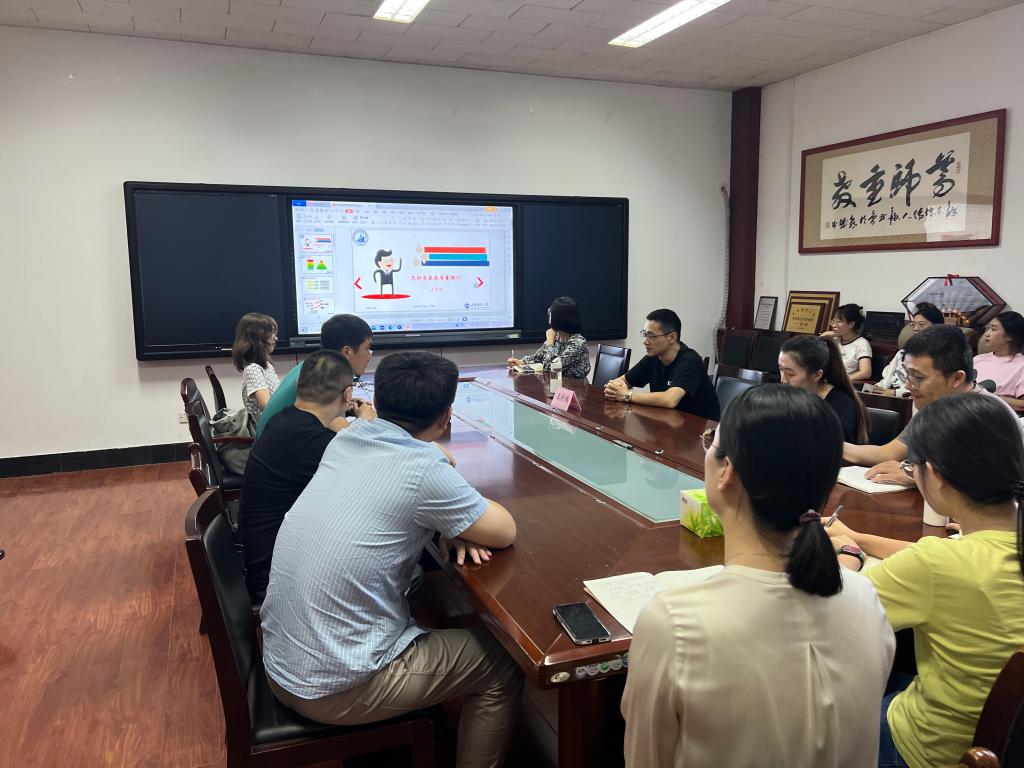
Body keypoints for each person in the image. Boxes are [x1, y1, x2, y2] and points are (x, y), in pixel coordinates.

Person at [261, 351, 523, 768]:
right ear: (446, 417)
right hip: (333, 688)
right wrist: (454, 520)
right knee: (504, 663)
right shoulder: (423, 470)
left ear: (377, 403)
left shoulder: (345, 439)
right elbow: (504, 530)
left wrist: (450, 523)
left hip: (283, 661)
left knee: (416, 581)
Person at [621, 385, 894, 767]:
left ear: (726, 471)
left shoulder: (674, 624)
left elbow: (646, 759)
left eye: (710, 443)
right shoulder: (865, 598)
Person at [826, 393, 1024, 768]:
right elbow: (951, 558)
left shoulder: (935, 564)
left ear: (934, 475)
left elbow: (830, 612)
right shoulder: (978, 548)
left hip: (928, 750)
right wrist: (859, 537)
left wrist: (849, 553)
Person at [843, 324, 1024, 486]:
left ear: (957, 378)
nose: (908, 385)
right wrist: (835, 445)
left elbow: (992, 481)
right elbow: (889, 453)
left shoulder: (988, 415)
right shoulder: (933, 402)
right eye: (908, 375)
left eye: (919, 377)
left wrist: (916, 475)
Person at [239, 350, 353, 601]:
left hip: (262, 557)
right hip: (278, 578)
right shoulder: (316, 442)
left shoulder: (282, 420)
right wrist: (363, 426)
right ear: (347, 395)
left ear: (299, 385)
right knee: (412, 575)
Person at [256, 313, 375, 438]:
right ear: (347, 351)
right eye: (368, 348)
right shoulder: (327, 376)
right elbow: (348, 438)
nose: (370, 354)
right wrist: (365, 419)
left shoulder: (313, 366)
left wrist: (344, 407)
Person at [604, 308, 720, 420]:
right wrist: (614, 388)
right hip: (667, 421)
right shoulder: (653, 357)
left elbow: (669, 400)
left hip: (699, 428)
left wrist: (626, 395)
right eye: (644, 334)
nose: (645, 341)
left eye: (651, 336)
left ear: (672, 337)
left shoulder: (690, 361)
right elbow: (623, 381)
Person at [779, 334, 869, 443]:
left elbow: (831, 446)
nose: (783, 380)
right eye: (781, 370)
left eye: (790, 374)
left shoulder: (841, 405)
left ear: (816, 375)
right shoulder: (790, 397)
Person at [506, 296, 591, 379]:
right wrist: (522, 362)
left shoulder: (577, 343)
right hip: (555, 384)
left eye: (551, 314)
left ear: (560, 318)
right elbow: (538, 357)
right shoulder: (557, 336)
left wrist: (550, 343)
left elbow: (551, 368)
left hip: (574, 387)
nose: (549, 317)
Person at [875, 302, 944, 394]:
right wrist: (876, 388)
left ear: (936, 327)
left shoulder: (939, 356)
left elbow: (927, 388)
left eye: (921, 324)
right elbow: (887, 377)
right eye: (913, 324)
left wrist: (895, 393)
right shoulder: (902, 353)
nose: (915, 329)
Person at [231, 312, 281, 424]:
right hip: (267, 427)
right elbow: (268, 405)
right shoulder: (253, 370)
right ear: (258, 339)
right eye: (271, 333)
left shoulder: (266, 366)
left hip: (275, 423)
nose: (276, 338)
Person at [973, 310, 1024, 409]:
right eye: (987, 329)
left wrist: (993, 398)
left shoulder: (1021, 366)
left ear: (1009, 336)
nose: (987, 334)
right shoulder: (978, 359)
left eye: (993, 329)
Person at [821, 303, 872, 382]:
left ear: (851, 324)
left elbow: (865, 372)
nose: (834, 325)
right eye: (833, 321)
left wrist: (841, 380)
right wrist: (823, 337)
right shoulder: (834, 339)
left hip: (842, 383)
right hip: (825, 380)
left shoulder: (861, 344)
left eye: (838, 322)